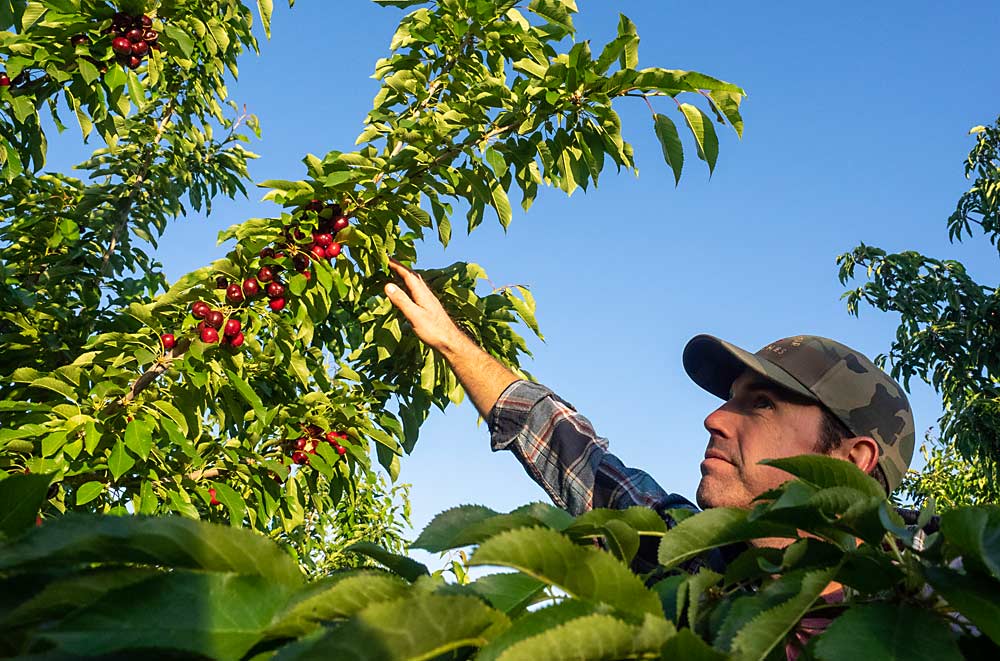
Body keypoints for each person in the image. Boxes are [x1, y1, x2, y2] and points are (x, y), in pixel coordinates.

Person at [382, 259, 918, 549]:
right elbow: (573, 451)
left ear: (853, 460)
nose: (713, 419)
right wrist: (452, 341)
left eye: (762, 405)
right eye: (730, 401)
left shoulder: (947, 593)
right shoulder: (682, 556)